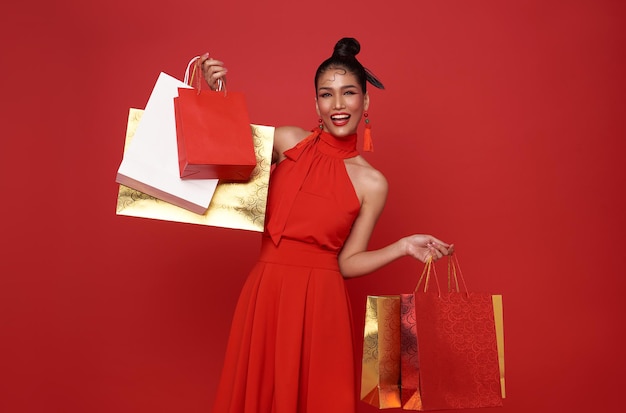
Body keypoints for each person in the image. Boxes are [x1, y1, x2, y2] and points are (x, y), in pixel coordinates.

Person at [201, 38, 454, 413]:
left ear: (365, 102)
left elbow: (347, 263)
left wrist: (402, 246)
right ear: (316, 103)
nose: (337, 105)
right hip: (266, 293)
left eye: (349, 93)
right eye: (326, 94)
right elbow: (222, 156)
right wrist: (215, 95)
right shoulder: (287, 141)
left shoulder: (373, 183)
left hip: (322, 304)